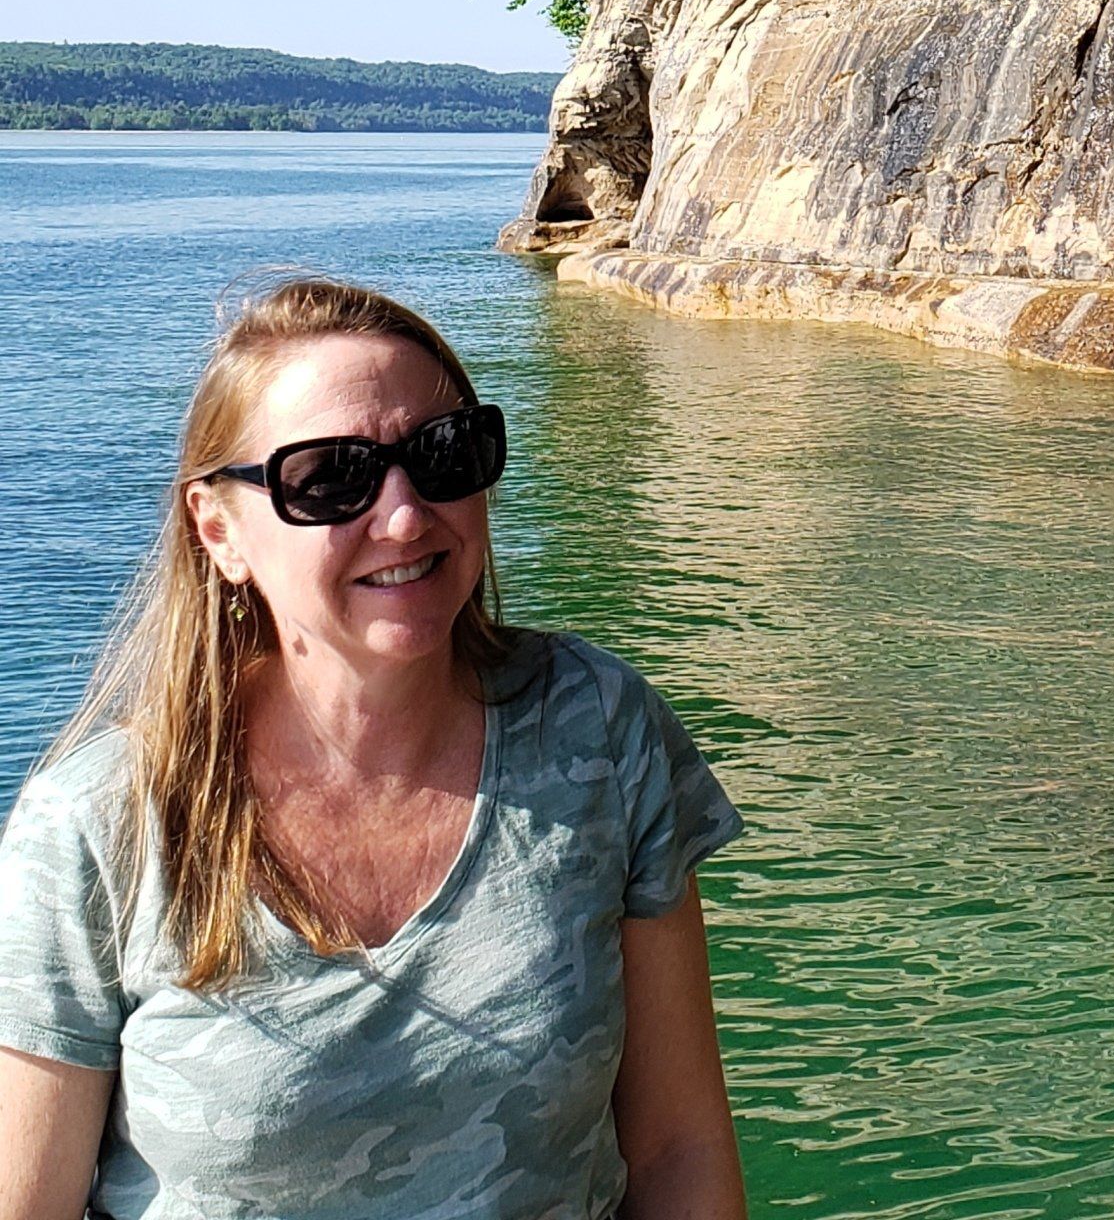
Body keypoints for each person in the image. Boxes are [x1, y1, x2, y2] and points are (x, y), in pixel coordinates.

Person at [0, 275, 748, 1220]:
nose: (404, 515)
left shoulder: (599, 729)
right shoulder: (99, 827)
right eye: (329, 478)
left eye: (445, 455)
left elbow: (680, 1149)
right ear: (218, 529)